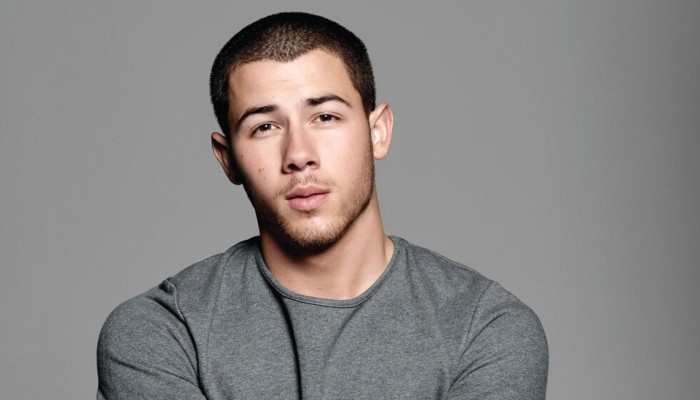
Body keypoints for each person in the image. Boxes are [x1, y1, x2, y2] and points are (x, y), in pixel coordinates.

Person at [97, 12, 548, 400]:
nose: (299, 154)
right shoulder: (162, 331)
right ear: (227, 158)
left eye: (325, 117)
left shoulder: (485, 328)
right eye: (265, 126)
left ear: (378, 132)